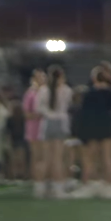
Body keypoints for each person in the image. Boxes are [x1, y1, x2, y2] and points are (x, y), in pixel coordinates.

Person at [71, 66, 111, 199]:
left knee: (90, 158)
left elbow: (82, 112)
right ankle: (110, 187)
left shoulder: (88, 93)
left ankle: (89, 185)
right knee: (108, 157)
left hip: (92, 126)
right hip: (107, 125)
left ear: (94, 79)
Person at [35, 65, 73, 199]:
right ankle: (58, 189)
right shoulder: (66, 90)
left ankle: (40, 188)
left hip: (46, 123)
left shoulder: (43, 90)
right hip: (60, 123)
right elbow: (67, 105)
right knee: (57, 158)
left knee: (44, 158)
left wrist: (48, 112)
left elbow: (38, 108)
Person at [24, 70, 46, 190]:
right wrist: (37, 115)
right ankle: (36, 180)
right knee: (36, 155)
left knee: (44, 155)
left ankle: (43, 178)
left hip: (44, 127)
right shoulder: (30, 94)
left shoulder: (46, 92)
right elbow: (26, 114)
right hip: (33, 128)